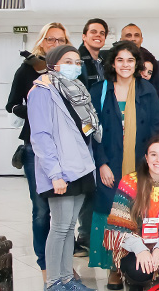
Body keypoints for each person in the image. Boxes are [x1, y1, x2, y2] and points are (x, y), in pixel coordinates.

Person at [89, 41, 159, 289]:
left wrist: (150, 164)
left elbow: (155, 128)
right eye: (120, 60)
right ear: (112, 63)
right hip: (110, 164)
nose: (125, 65)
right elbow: (93, 131)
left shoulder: (147, 90)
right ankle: (114, 268)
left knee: (140, 213)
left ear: (137, 63)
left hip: (140, 163)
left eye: (130, 60)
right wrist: (102, 164)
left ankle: (141, 265)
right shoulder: (99, 90)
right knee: (112, 215)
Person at [29, 45, 99, 291]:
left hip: (79, 166)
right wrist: (55, 174)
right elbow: (40, 135)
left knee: (70, 227)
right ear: (53, 63)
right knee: (59, 227)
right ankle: (53, 282)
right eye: (68, 61)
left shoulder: (76, 90)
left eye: (78, 62)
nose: (74, 66)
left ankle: (67, 279)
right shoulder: (42, 91)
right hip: (60, 171)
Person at [6, 22, 70, 275]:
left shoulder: (71, 70)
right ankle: (45, 265)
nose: (55, 44)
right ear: (42, 42)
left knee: (65, 213)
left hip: (66, 149)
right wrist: (37, 109)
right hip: (36, 149)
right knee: (42, 210)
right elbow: (11, 105)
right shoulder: (27, 71)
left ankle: (63, 265)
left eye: (60, 40)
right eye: (50, 39)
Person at [103, 136, 159, 290]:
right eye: (154, 154)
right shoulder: (129, 182)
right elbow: (118, 227)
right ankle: (136, 283)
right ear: (146, 158)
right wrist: (140, 249)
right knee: (138, 270)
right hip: (133, 245)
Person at [78, 18, 110, 88]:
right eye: (93, 32)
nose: (98, 35)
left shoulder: (104, 62)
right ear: (84, 37)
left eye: (102, 33)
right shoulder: (77, 61)